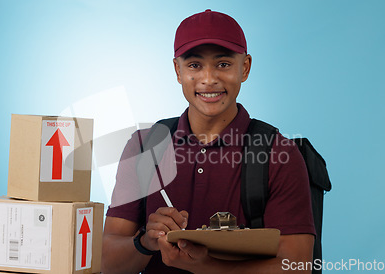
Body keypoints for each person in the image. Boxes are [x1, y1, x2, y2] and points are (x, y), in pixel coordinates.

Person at [102, 9, 315, 273]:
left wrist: (206, 267)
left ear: (245, 68)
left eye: (223, 64)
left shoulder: (279, 153)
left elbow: (298, 265)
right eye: (194, 65)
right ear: (177, 70)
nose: (209, 79)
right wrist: (146, 242)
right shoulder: (144, 147)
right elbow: (107, 262)